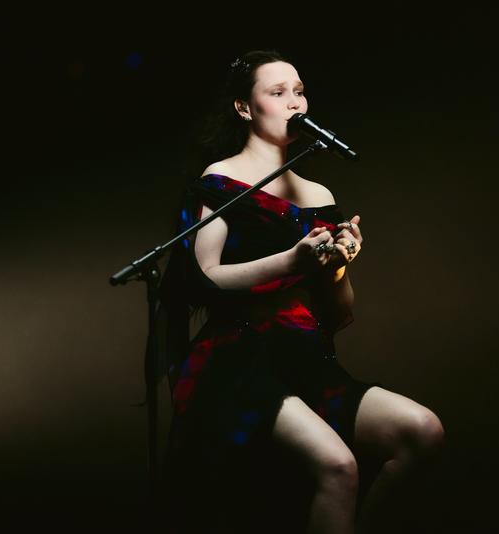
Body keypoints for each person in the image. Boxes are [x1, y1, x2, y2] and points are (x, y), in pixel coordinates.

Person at [157, 50, 445, 533]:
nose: (295, 103)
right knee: (339, 466)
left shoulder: (320, 197)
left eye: (299, 91)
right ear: (244, 109)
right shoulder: (220, 180)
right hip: (238, 358)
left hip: (304, 355)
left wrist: (336, 269)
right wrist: (291, 261)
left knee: (422, 431)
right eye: (277, 93)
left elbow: (337, 316)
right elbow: (205, 276)